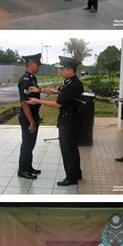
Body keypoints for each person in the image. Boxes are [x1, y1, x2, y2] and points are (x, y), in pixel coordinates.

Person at [27, 56, 84, 186]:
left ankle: (71, 178)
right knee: (72, 149)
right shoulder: (69, 82)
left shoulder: (72, 85)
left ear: (70, 69)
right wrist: (39, 90)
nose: (60, 72)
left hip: (69, 121)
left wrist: (38, 100)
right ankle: (76, 173)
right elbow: (55, 91)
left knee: (68, 150)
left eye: (62, 69)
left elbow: (57, 104)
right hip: (70, 119)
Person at [18, 53, 42, 180]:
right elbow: (25, 103)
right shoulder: (25, 80)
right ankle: (22, 170)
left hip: (33, 115)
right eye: (37, 65)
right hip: (28, 117)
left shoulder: (32, 78)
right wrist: (31, 122)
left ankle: (28, 167)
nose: (39, 67)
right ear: (31, 64)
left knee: (31, 144)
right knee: (27, 144)